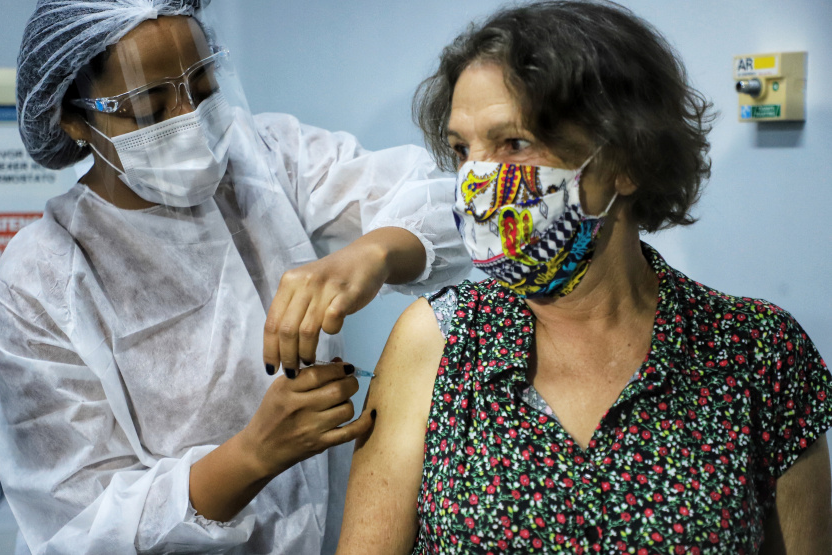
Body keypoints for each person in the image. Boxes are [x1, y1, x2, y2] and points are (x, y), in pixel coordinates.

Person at [337, 2, 832, 553]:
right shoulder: (438, 340)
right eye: (462, 150)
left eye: (514, 144)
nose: (474, 180)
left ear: (626, 158)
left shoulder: (758, 350)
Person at [0, 1, 470, 553]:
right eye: (150, 105)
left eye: (205, 85)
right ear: (73, 118)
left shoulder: (264, 159)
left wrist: (377, 251)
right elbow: (76, 525)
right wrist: (252, 456)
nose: (189, 116)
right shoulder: (42, 279)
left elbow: (451, 205)